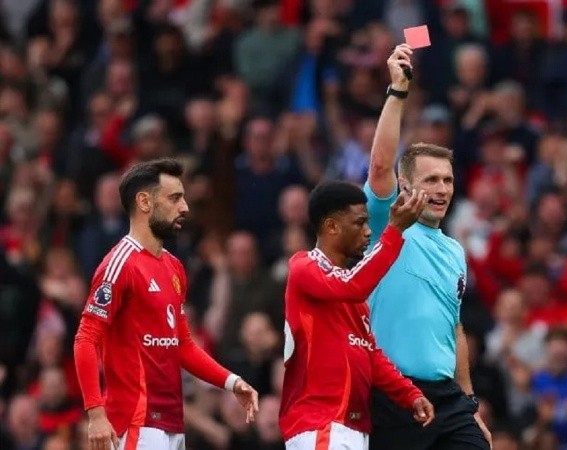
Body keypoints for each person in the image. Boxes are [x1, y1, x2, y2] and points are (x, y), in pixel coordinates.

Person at [73, 158, 259, 450]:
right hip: (135, 422)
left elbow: (182, 345)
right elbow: (86, 338)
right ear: (145, 202)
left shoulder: (174, 267)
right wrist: (96, 413)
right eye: (174, 198)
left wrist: (231, 381)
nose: (184, 207)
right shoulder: (119, 264)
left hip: (171, 422)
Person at [364, 44, 492, 450]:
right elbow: (381, 165)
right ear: (405, 186)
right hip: (393, 396)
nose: (441, 189)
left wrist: (470, 403)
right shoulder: (388, 224)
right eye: (431, 180)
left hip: (448, 401)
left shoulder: (455, 250)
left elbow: (454, 329)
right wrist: (398, 92)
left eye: (448, 181)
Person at [280, 180, 435, 450]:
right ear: (331, 227)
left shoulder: (351, 296)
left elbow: (369, 353)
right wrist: (395, 230)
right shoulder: (304, 266)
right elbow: (354, 286)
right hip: (320, 423)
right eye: (359, 223)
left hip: (351, 427)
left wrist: (409, 393)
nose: (367, 232)